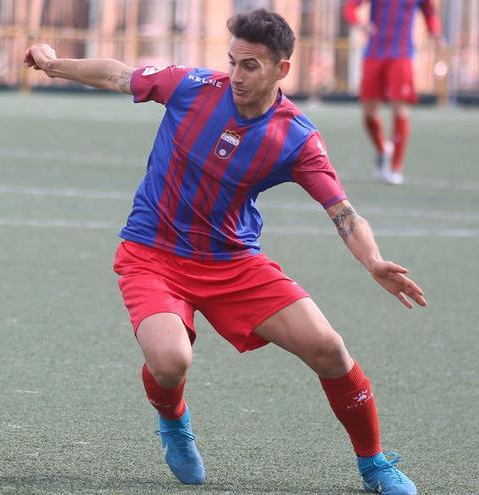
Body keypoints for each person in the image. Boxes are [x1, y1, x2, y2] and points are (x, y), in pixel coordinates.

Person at [25, 8, 425, 494]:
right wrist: (52, 64)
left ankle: (375, 464)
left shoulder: (296, 137)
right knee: (170, 362)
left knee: (330, 349)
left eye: (250, 65)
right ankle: (174, 423)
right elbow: (117, 73)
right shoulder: (192, 86)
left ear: (282, 69)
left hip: (232, 261)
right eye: (232, 61)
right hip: (152, 253)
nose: (235, 74)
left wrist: (373, 261)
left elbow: (342, 212)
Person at [344, 0, 443, 185]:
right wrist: (359, 22)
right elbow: (350, 7)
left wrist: (435, 31)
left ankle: (395, 168)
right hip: (374, 52)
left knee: (400, 110)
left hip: (402, 54)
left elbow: (430, 13)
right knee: (368, 114)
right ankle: (383, 148)